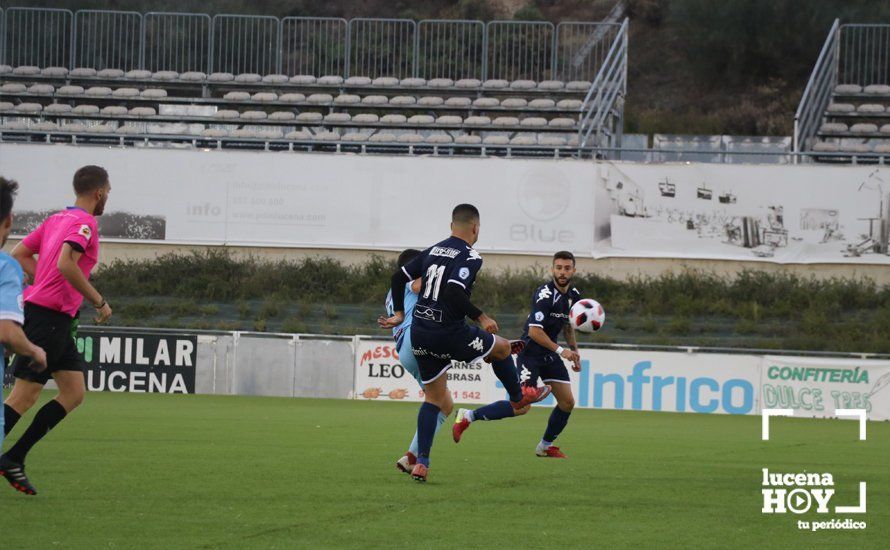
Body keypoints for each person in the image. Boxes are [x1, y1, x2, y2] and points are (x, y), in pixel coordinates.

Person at [379, 203, 550, 482]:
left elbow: (399, 277)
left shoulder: (433, 250)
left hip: (419, 334)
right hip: (449, 332)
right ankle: (519, 398)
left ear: (450, 226)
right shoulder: (471, 256)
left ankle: (421, 461)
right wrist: (481, 318)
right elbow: (454, 292)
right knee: (503, 347)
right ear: (475, 228)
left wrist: (399, 313)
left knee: (435, 399)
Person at [1, 165, 113, 495]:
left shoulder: (55, 220)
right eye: (108, 192)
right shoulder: (85, 223)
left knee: (74, 392)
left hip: (53, 318)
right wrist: (98, 300)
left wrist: (44, 283)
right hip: (46, 318)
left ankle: (14, 457)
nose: (107, 197)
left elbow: (19, 253)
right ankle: (11, 459)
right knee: (23, 397)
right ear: (99, 193)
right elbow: (66, 263)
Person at [0, 177, 48, 488]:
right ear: (8, 220)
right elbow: (6, 330)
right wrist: (33, 350)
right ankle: (13, 458)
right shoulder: (6, 267)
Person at [385, 248, 449, 474]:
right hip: (419, 339)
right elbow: (418, 285)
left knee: (444, 404)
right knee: (437, 402)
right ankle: (421, 460)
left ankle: (411, 456)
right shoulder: (410, 283)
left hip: (405, 350)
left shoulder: (390, 294)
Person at [514, 251, 582, 458]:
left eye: (567, 268)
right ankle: (470, 416)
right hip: (530, 354)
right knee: (522, 406)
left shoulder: (574, 296)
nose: (562, 272)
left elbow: (568, 326)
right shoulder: (544, 294)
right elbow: (534, 332)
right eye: (559, 268)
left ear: (573, 270)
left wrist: (575, 352)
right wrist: (562, 351)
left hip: (549, 355)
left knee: (567, 402)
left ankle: (544, 446)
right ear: (552, 269)